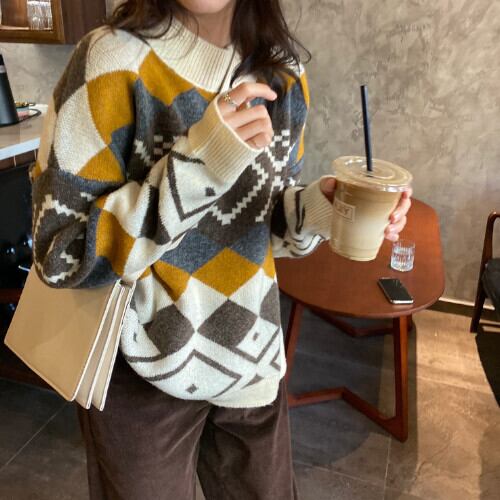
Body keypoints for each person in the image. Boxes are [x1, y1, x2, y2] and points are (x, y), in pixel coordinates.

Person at [30, 0, 412, 498]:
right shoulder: (110, 59)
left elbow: (257, 225)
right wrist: (199, 166)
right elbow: (60, 253)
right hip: (141, 371)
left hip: (250, 355)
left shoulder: (282, 75)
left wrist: (323, 208)